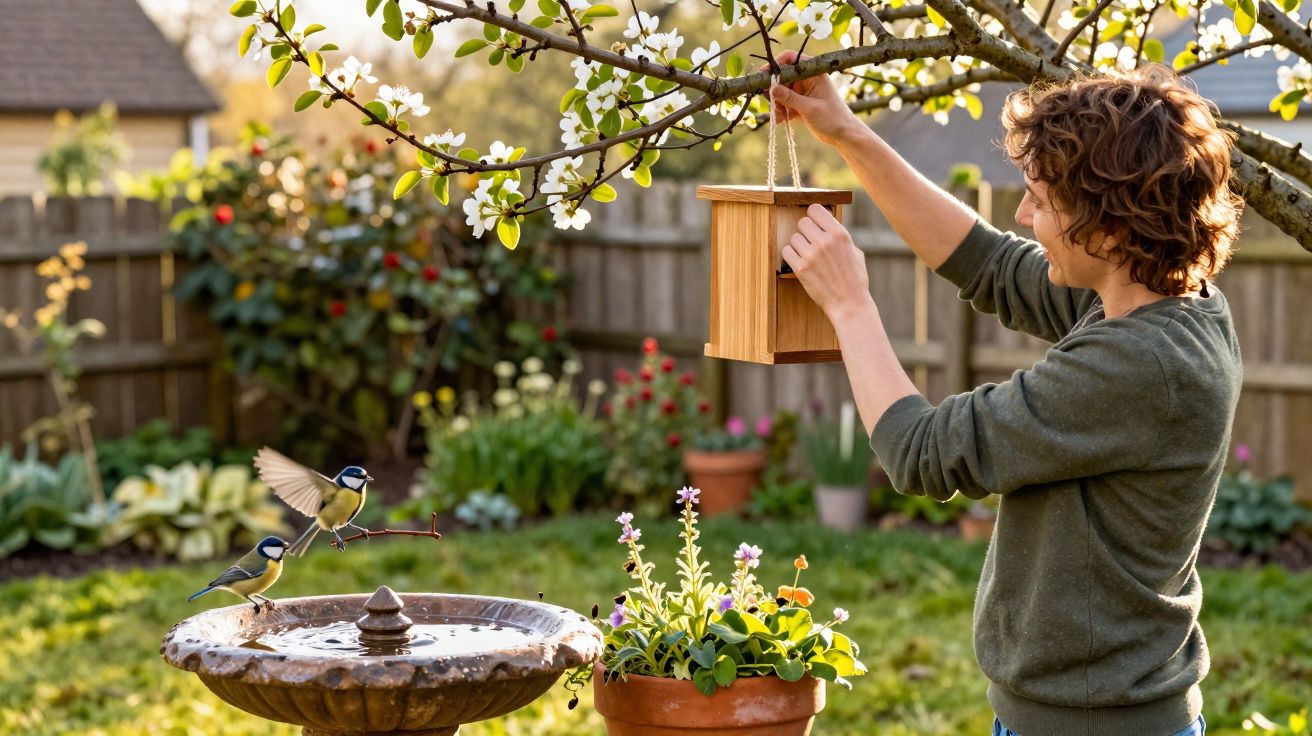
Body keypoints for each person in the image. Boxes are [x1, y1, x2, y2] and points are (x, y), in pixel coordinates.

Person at [769, 50, 1242, 736]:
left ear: (1109, 228)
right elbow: (984, 261)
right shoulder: (1162, 300)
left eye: (1041, 201)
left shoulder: (1139, 366)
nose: (1023, 215)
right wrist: (847, 134)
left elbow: (923, 453)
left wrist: (848, 306)